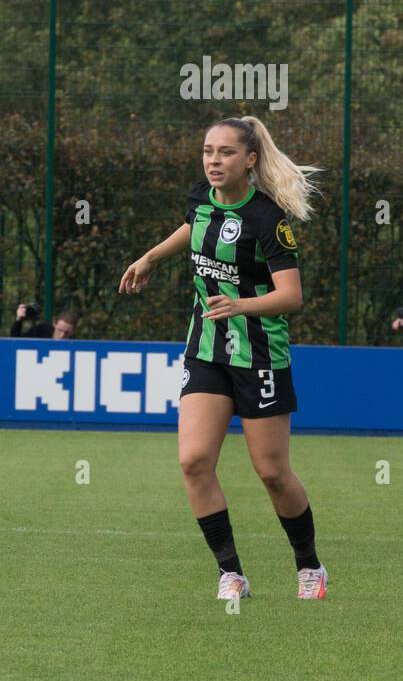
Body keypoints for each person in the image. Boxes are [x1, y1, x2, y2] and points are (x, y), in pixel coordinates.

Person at [119, 115, 329, 603]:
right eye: (209, 151)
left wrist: (241, 305)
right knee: (194, 461)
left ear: (249, 160)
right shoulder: (200, 198)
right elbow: (194, 227)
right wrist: (151, 256)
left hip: (259, 356)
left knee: (273, 472)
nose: (214, 160)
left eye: (226, 153)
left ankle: (310, 566)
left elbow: (291, 296)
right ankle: (231, 572)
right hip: (206, 350)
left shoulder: (267, 219)